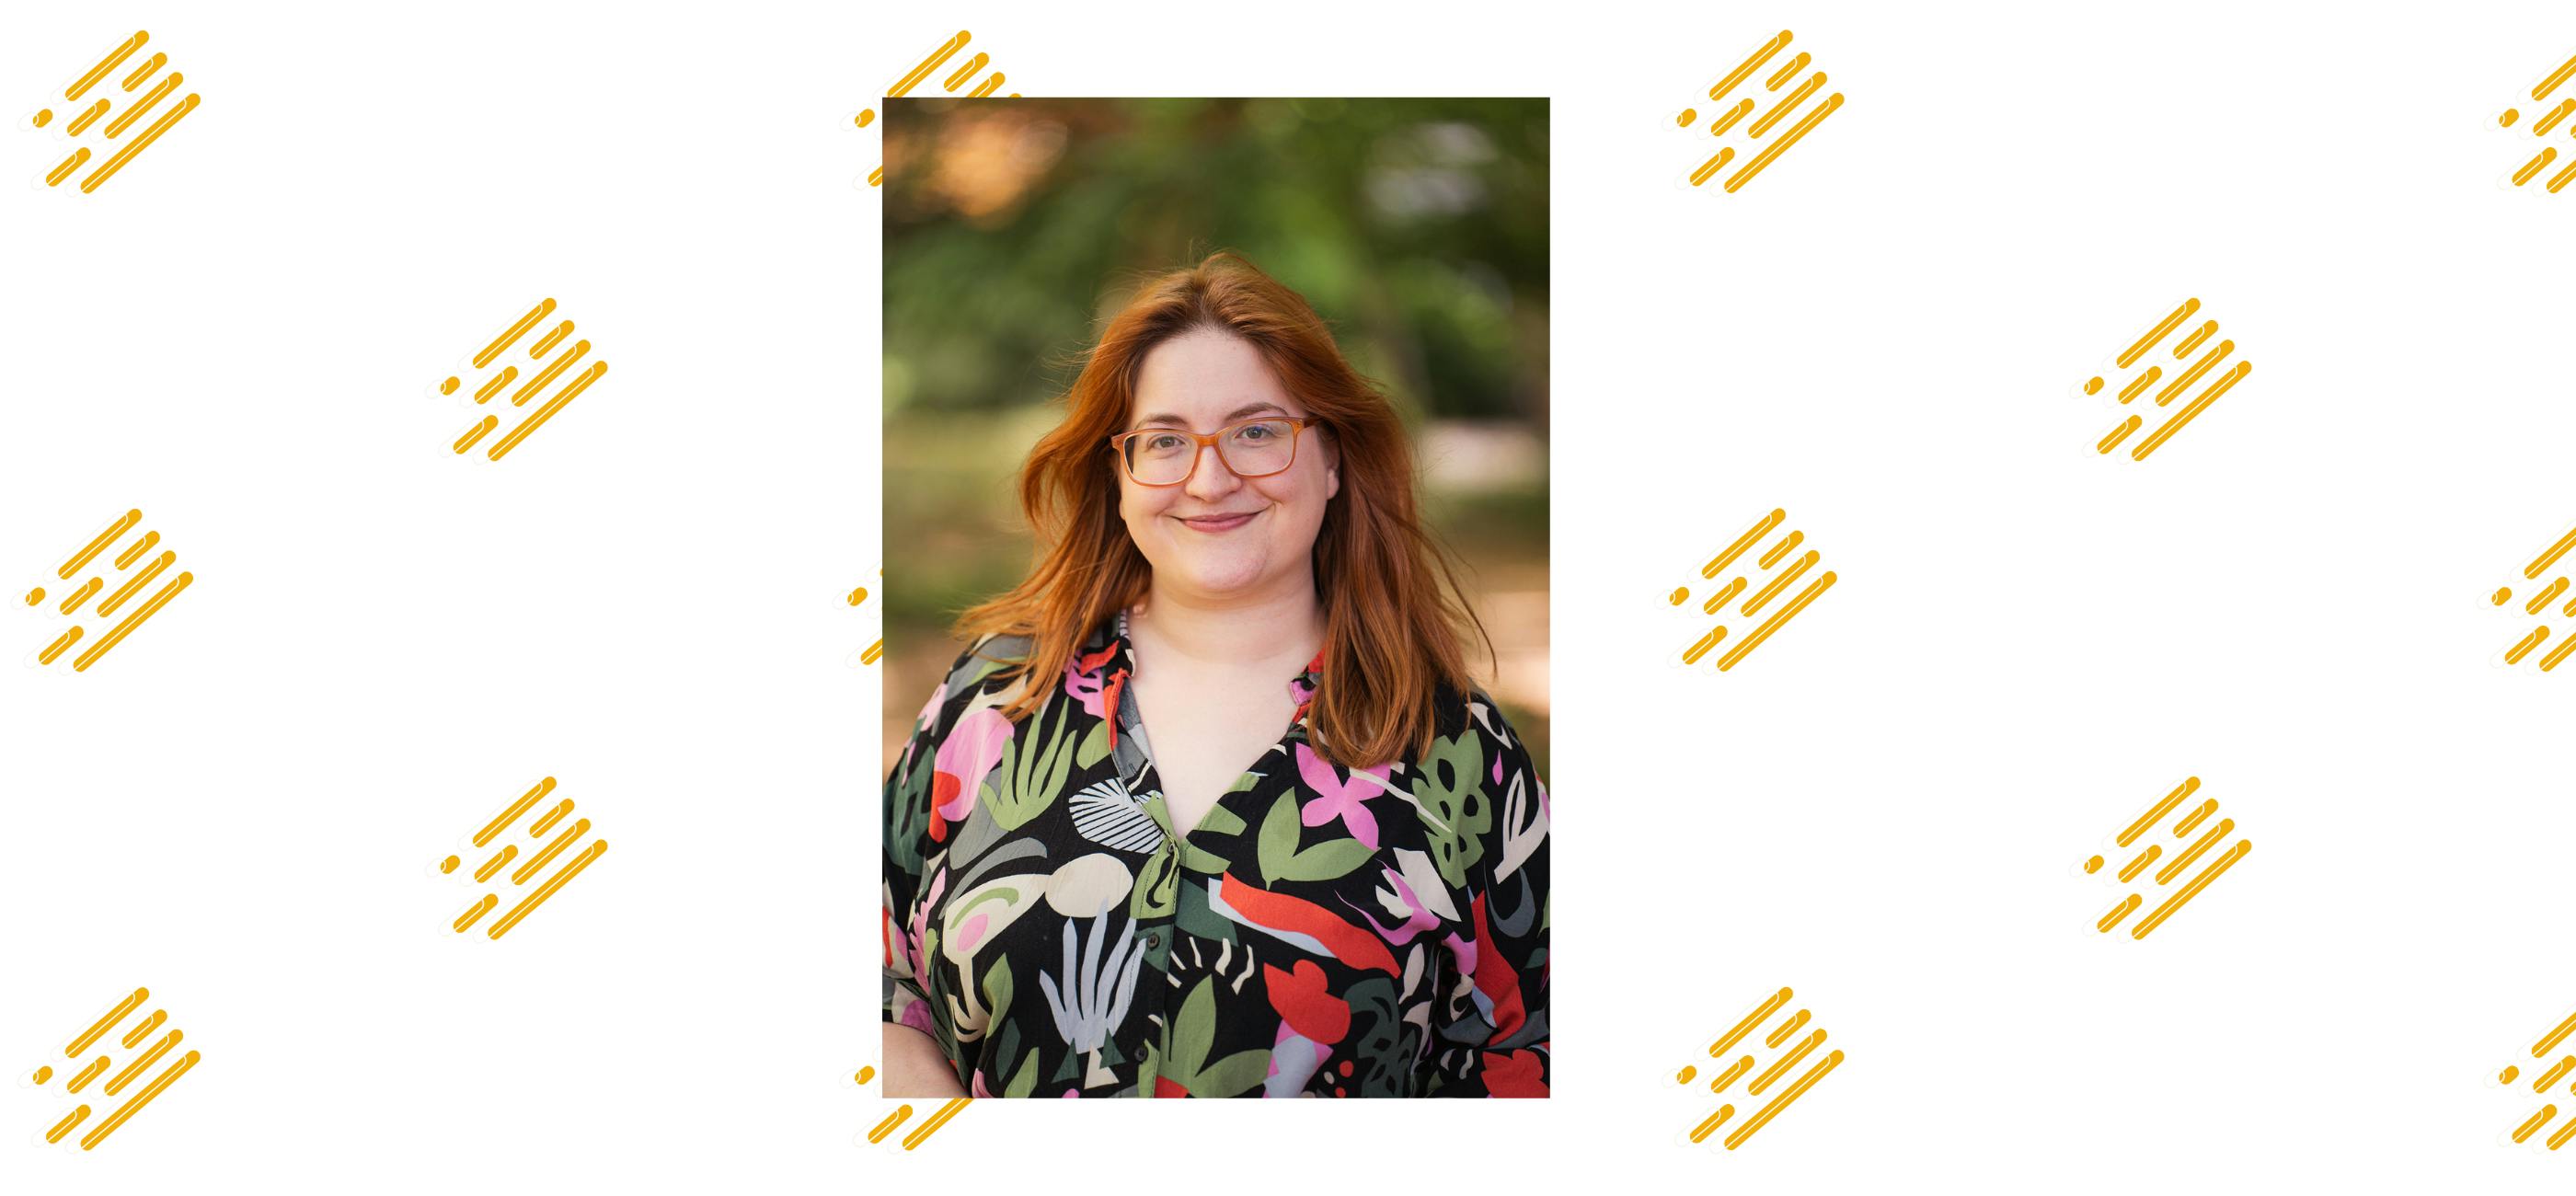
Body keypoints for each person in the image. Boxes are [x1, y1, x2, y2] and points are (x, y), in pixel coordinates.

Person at [881, 251, 1549, 1098]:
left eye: (1257, 431)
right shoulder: (992, 699)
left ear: (1334, 459)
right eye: (1164, 440)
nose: (1209, 478)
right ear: (1119, 475)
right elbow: (878, 978)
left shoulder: (1460, 754)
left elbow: (1531, 1059)